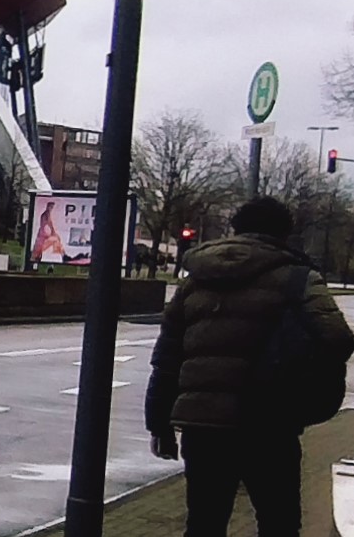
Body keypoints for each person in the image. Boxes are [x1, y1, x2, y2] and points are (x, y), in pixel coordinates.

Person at [145, 196, 354, 536]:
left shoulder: (195, 280)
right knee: (278, 521)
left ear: (236, 229)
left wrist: (158, 423)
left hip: (203, 426)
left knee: (204, 523)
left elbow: (167, 357)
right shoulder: (298, 278)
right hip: (269, 423)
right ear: (285, 234)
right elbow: (337, 338)